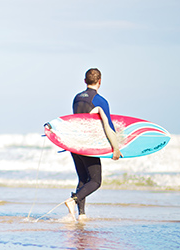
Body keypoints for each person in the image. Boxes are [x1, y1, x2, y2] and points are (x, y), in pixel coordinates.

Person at [64, 68, 122, 221]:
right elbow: (108, 126)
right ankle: (72, 200)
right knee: (96, 181)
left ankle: (80, 215)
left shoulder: (76, 98)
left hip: (74, 144)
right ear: (100, 81)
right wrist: (115, 148)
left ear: (85, 81)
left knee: (83, 179)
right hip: (88, 145)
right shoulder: (99, 100)